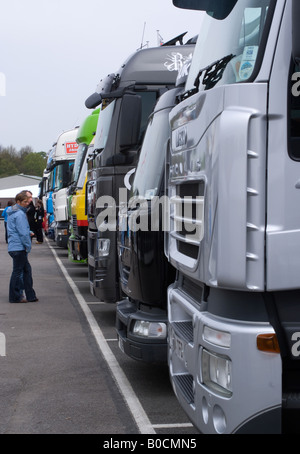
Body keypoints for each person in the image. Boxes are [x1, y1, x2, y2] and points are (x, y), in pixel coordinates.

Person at [7, 191, 38, 303]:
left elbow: (17, 229)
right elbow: (22, 233)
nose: (27, 203)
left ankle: (29, 295)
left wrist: (27, 231)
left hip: (14, 246)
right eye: (25, 201)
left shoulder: (12, 212)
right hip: (19, 247)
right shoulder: (20, 214)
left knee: (24, 271)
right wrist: (28, 246)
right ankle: (16, 296)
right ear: (18, 202)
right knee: (19, 272)